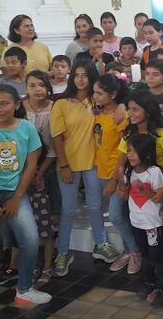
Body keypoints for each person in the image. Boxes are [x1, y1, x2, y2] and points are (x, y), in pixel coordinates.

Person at [0, 85, 51, 309]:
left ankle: (24, 289)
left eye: (4, 103)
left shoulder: (27, 129)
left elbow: (30, 165)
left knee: (30, 240)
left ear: (16, 104)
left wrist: (16, 197)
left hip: (15, 192)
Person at [51, 60, 119, 277]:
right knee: (68, 210)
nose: (81, 79)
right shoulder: (61, 104)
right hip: (68, 165)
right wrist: (64, 165)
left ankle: (101, 244)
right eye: (77, 75)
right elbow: (57, 138)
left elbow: (118, 103)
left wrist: (124, 105)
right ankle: (63, 251)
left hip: (93, 163)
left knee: (95, 206)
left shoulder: (96, 100)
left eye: (85, 75)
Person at [93, 75, 138, 273]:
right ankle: (129, 251)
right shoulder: (98, 114)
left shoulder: (120, 117)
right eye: (94, 92)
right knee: (122, 215)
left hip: (117, 173)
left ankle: (136, 252)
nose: (95, 97)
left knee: (116, 216)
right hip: (101, 170)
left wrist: (116, 178)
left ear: (112, 95)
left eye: (99, 93)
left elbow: (124, 150)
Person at [124, 134, 163, 309]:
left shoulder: (154, 172)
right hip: (136, 222)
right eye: (129, 151)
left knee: (157, 256)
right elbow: (124, 192)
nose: (130, 155)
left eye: (134, 152)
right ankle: (149, 283)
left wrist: (143, 190)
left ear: (146, 153)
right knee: (144, 254)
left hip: (153, 224)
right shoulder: (128, 171)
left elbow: (158, 198)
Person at [23, 70, 59, 284]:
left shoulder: (55, 109)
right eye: (32, 85)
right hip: (23, 169)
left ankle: (48, 263)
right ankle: (31, 264)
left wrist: (40, 171)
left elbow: (55, 146)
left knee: (48, 217)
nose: (37, 89)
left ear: (48, 87)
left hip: (47, 167)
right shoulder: (19, 108)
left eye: (41, 85)